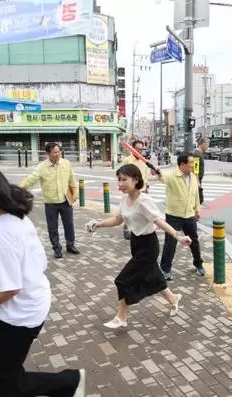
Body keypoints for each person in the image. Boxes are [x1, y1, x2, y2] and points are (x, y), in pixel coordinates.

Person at [0, 166, 85, 397]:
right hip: (30, 304)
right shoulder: (16, 217)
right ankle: (69, 383)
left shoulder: (0, 235)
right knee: (4, 375)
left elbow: (9, 289)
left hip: (18, 315)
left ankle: (70, 382)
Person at [89, 164, 188, 329]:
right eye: (118, 179)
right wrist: (98, 224)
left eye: (124, 179)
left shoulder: (144, 201)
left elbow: (159, 221)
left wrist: (178, 236)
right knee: (154, 276)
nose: (120, 183)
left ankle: (121, 317)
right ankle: (173, 298)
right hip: (136, 243)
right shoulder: (124, 199)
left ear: (136, 180)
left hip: (148, 246)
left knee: (122, 280)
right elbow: (119, 219)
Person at [20, 143, 79, 259]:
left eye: (59, 152)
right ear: (48, 154)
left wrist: (75, 192)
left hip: (66, 200)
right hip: (50, 202)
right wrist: (18, 189)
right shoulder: (41, 167)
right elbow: (30, 180)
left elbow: (72, 180)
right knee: (52, 227)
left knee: (69, 224)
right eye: (55, 152)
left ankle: (70, 245)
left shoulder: (66, 164)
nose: (58, 154)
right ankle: (56, 248)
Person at [156, 153, 204, 281]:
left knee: (194, 241)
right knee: (170, 243)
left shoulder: (193, 177)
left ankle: (198, 264)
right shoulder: (172, 175)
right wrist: (158, 172)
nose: (193, 165)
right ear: (182, 164)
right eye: (191, 163)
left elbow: (196, 195)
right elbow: (163, 177)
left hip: (189, 215)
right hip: (173, 215)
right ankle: (165, 269)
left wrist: (197, 209)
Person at [121, 140, 150, 240]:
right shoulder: (127, 161)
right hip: (131, 192)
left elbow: (146, 175)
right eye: (138, 149)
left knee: (142, 212)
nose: (140, 151)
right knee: (129, 212)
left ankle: (140, 231)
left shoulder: (143, 161)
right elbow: (122, 176)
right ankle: (127, 232)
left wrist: (146, 186)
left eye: (142, 149)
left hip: (142, 190)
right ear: (132, 149)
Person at [193, 138, 209, 205]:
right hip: (196, 179)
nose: (208, 146)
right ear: (203, 144)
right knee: (198, 200)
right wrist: (197, 181)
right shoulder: (197, 154)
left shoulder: (199, 153)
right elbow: (195, 168)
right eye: (207, 144)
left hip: (198, 179)